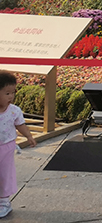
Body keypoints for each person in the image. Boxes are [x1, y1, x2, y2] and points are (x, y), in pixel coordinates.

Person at [0, 72, 36, 219]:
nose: (11, 97)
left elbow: (20, 125)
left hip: (6, 148)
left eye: (13, 93)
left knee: (4, 174)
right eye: (7, 93)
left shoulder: (14, 111)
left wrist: (29, 136)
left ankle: (4, 203)